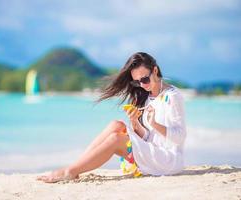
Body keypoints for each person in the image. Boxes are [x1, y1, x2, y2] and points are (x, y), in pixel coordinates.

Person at [37, 52, 187, 183]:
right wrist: (135, 123)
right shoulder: (148, 97)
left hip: (169, 160)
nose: (142, 85)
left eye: (145, 79)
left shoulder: (173, 97)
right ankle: (75, 166)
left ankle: (70, 172)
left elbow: (179, 138)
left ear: (155, 70)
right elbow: (150, 138)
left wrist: (154, 123)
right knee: (116, 125)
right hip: (153, 151)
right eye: (137, 81)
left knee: (116, 139)